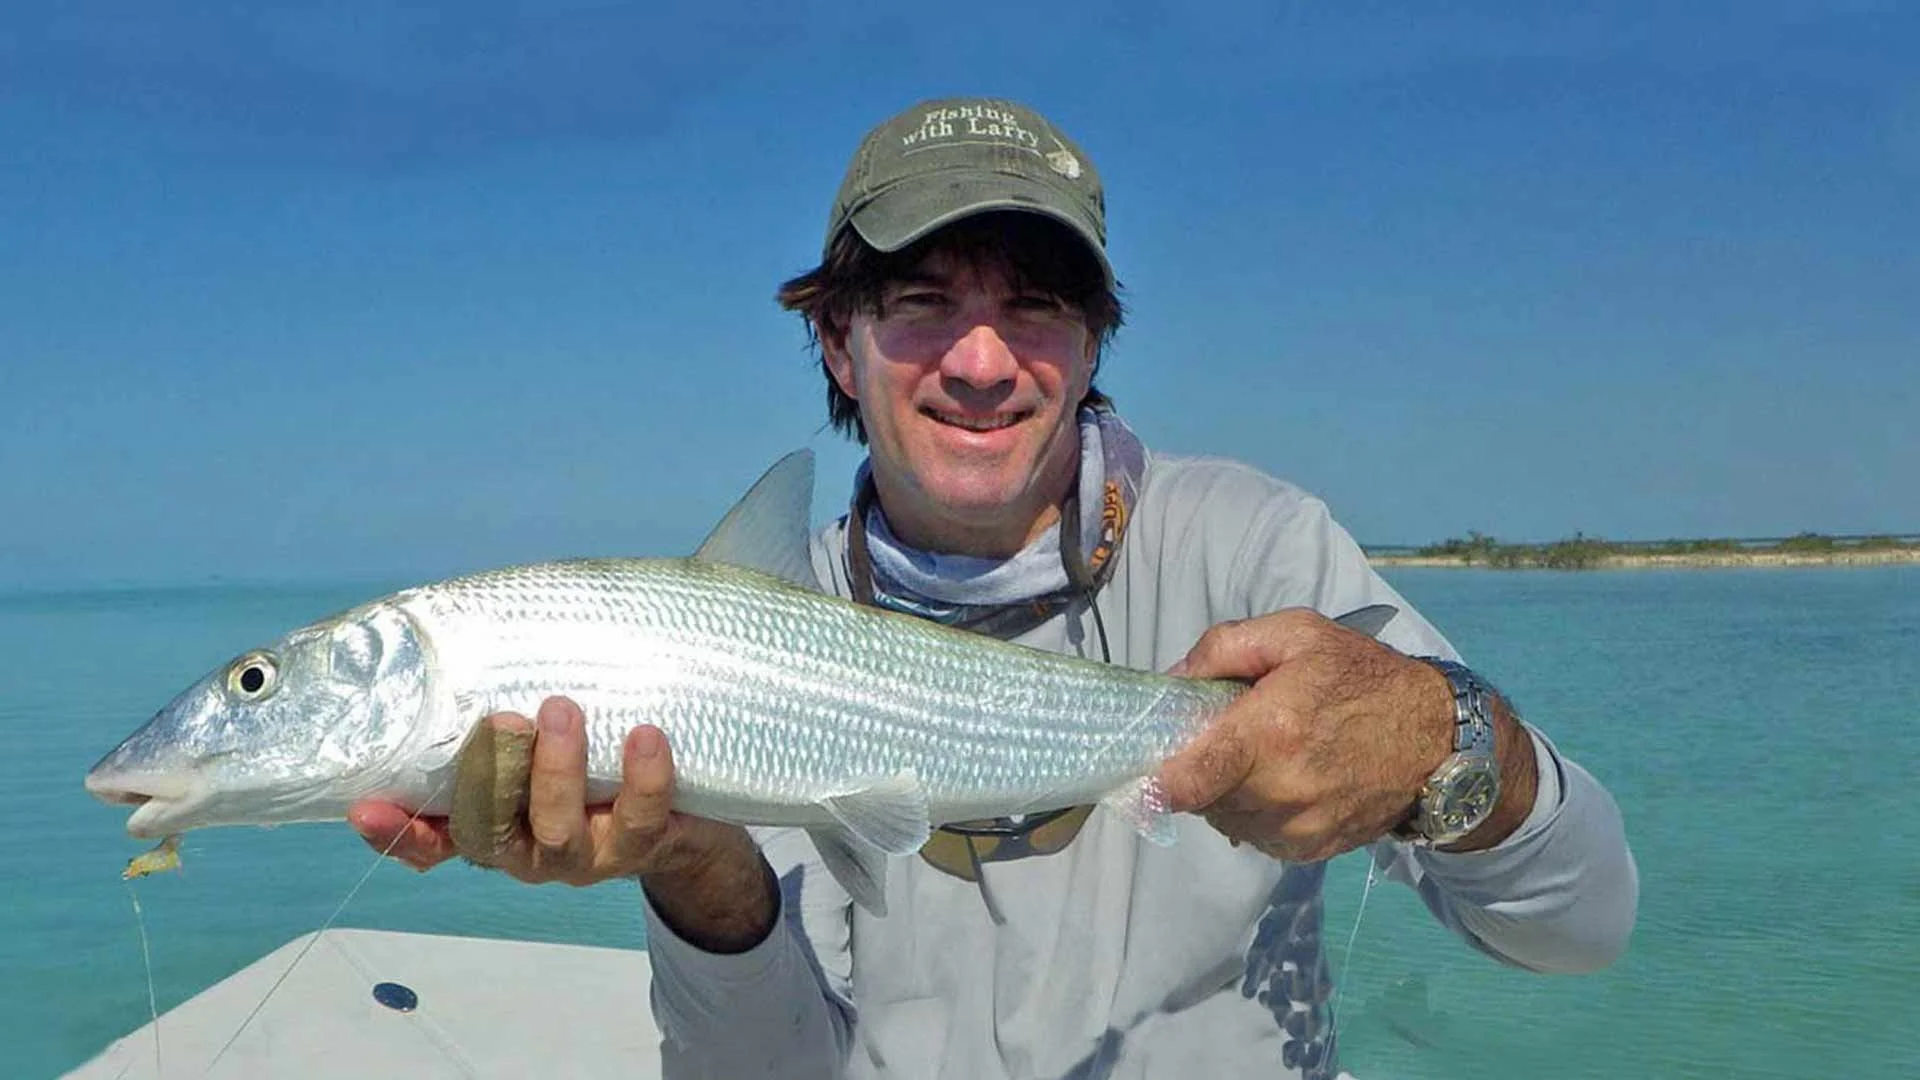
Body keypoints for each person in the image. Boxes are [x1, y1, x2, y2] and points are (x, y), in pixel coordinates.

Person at [350, 97, 1637, 1079]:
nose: (980, 361)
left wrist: (1455, 743)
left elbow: (1579, 929)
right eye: (919, 303)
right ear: (835, 347)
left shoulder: (1257, 551)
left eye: (1036, 309)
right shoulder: (740, 649)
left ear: (1091, 347)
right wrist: (693, 859)